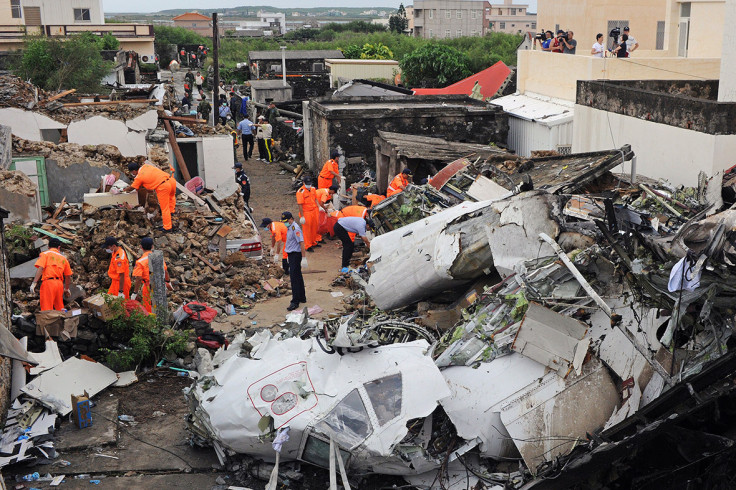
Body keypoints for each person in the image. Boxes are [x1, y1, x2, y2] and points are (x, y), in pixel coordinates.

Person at [122, 161, 177, 232]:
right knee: (171, 198)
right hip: (171, 181)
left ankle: (167, 227)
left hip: (163, 186)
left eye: (132, 173)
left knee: (164, 208)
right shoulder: (146, 166)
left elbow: (132, 187)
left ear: (134, 171)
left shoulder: (139, 177)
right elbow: (148, 180)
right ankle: (172, 212)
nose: (132, 174)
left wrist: (123, 190)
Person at [132, 237, 171, 314]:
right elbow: (165, 271)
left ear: (141, 247)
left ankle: (152, 323)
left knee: (149, 306)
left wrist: (135, 292)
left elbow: (139, 278)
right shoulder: (158, 257)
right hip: (160, 284)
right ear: (152, 246)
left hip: (149, 286)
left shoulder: (140, 262)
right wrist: (168, 281)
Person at [31, 238, 72, 311]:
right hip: (59, 284)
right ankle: (61, 321)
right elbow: (68, 276)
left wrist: (34, 282)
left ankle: (48, 322)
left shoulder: (45, 254)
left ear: (48, 246)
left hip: (48, 283)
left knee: (47, 308)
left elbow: (41, 268)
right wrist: (66, 288)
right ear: (59, 247)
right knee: (59, 307)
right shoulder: (64, 258)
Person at [282, 211, 308, 311]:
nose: (285, 223)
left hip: (295, 255)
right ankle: (302, 297)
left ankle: (295, 301)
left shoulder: (295, 228)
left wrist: (304, 257)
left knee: (294, 278)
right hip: (291, 254)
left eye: (286, 221)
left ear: (290, 219)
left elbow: (301, 242)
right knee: (298, 276)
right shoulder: (290, 227)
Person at [296, 175, 320, 251]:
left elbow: (315, 198)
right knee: (307, 230)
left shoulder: (313, 189)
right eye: (307, 183)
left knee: (314, 227)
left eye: (310, 183)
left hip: (314, 210)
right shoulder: (300, 192)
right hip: (306, 212)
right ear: (303, 183)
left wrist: (319, 206)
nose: (309, 185)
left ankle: (313, 242)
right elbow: (300, 204)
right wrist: (302, 216)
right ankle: (307, 245)